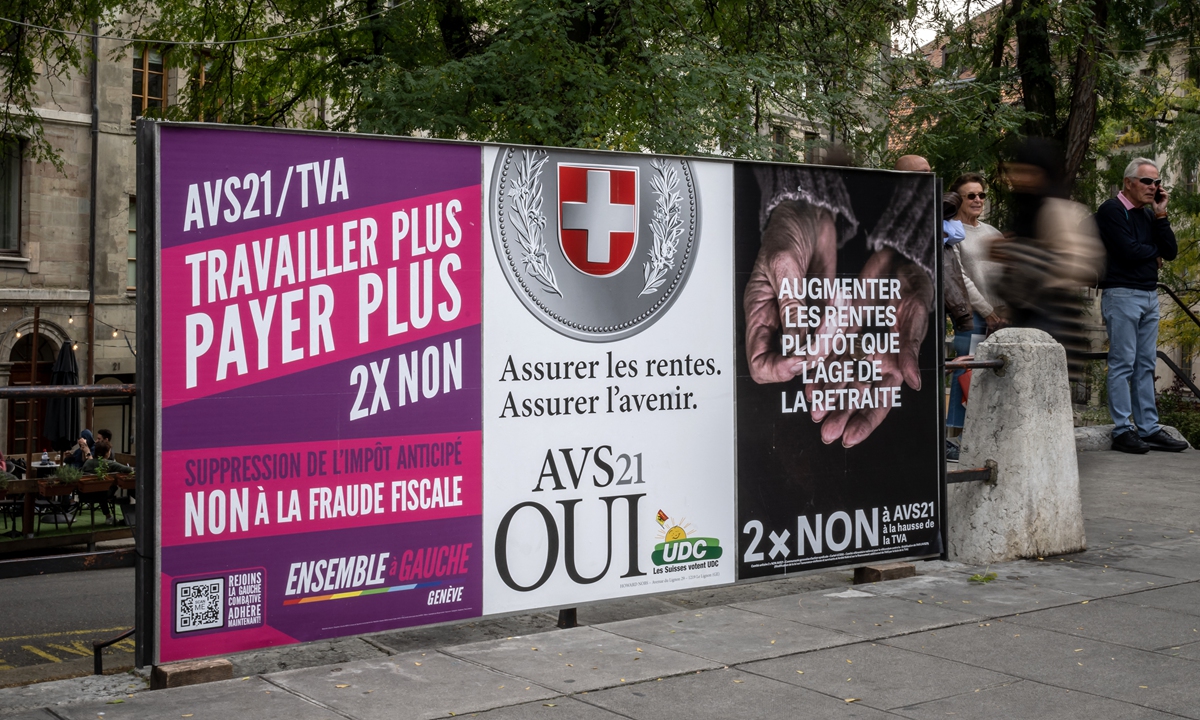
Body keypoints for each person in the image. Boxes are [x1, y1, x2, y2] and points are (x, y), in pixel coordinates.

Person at [989, 138, 1104, 385]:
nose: (1020, 178)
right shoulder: (1023, 211)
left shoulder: (1060, 210)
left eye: (1028, 171)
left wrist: (1016, 251)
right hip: (1024, 323)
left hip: (1055, 321)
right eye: (1015, 171)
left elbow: (1079, 266)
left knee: (1045, 397)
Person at [1094, 157, 1187, 453]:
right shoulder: (1111, 209)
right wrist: (1152, 254)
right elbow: (1128, 251)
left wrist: (1161, 216)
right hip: (1121, 294)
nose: (1154, 187)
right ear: (1128, 182)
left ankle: (1148, 428)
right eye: (1147, 181)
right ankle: (1123, 429)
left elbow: (1169, 252)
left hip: (1148, 295)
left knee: (1145, 363)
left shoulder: (1149, 216)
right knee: (1122, 363)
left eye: (1157, 182)